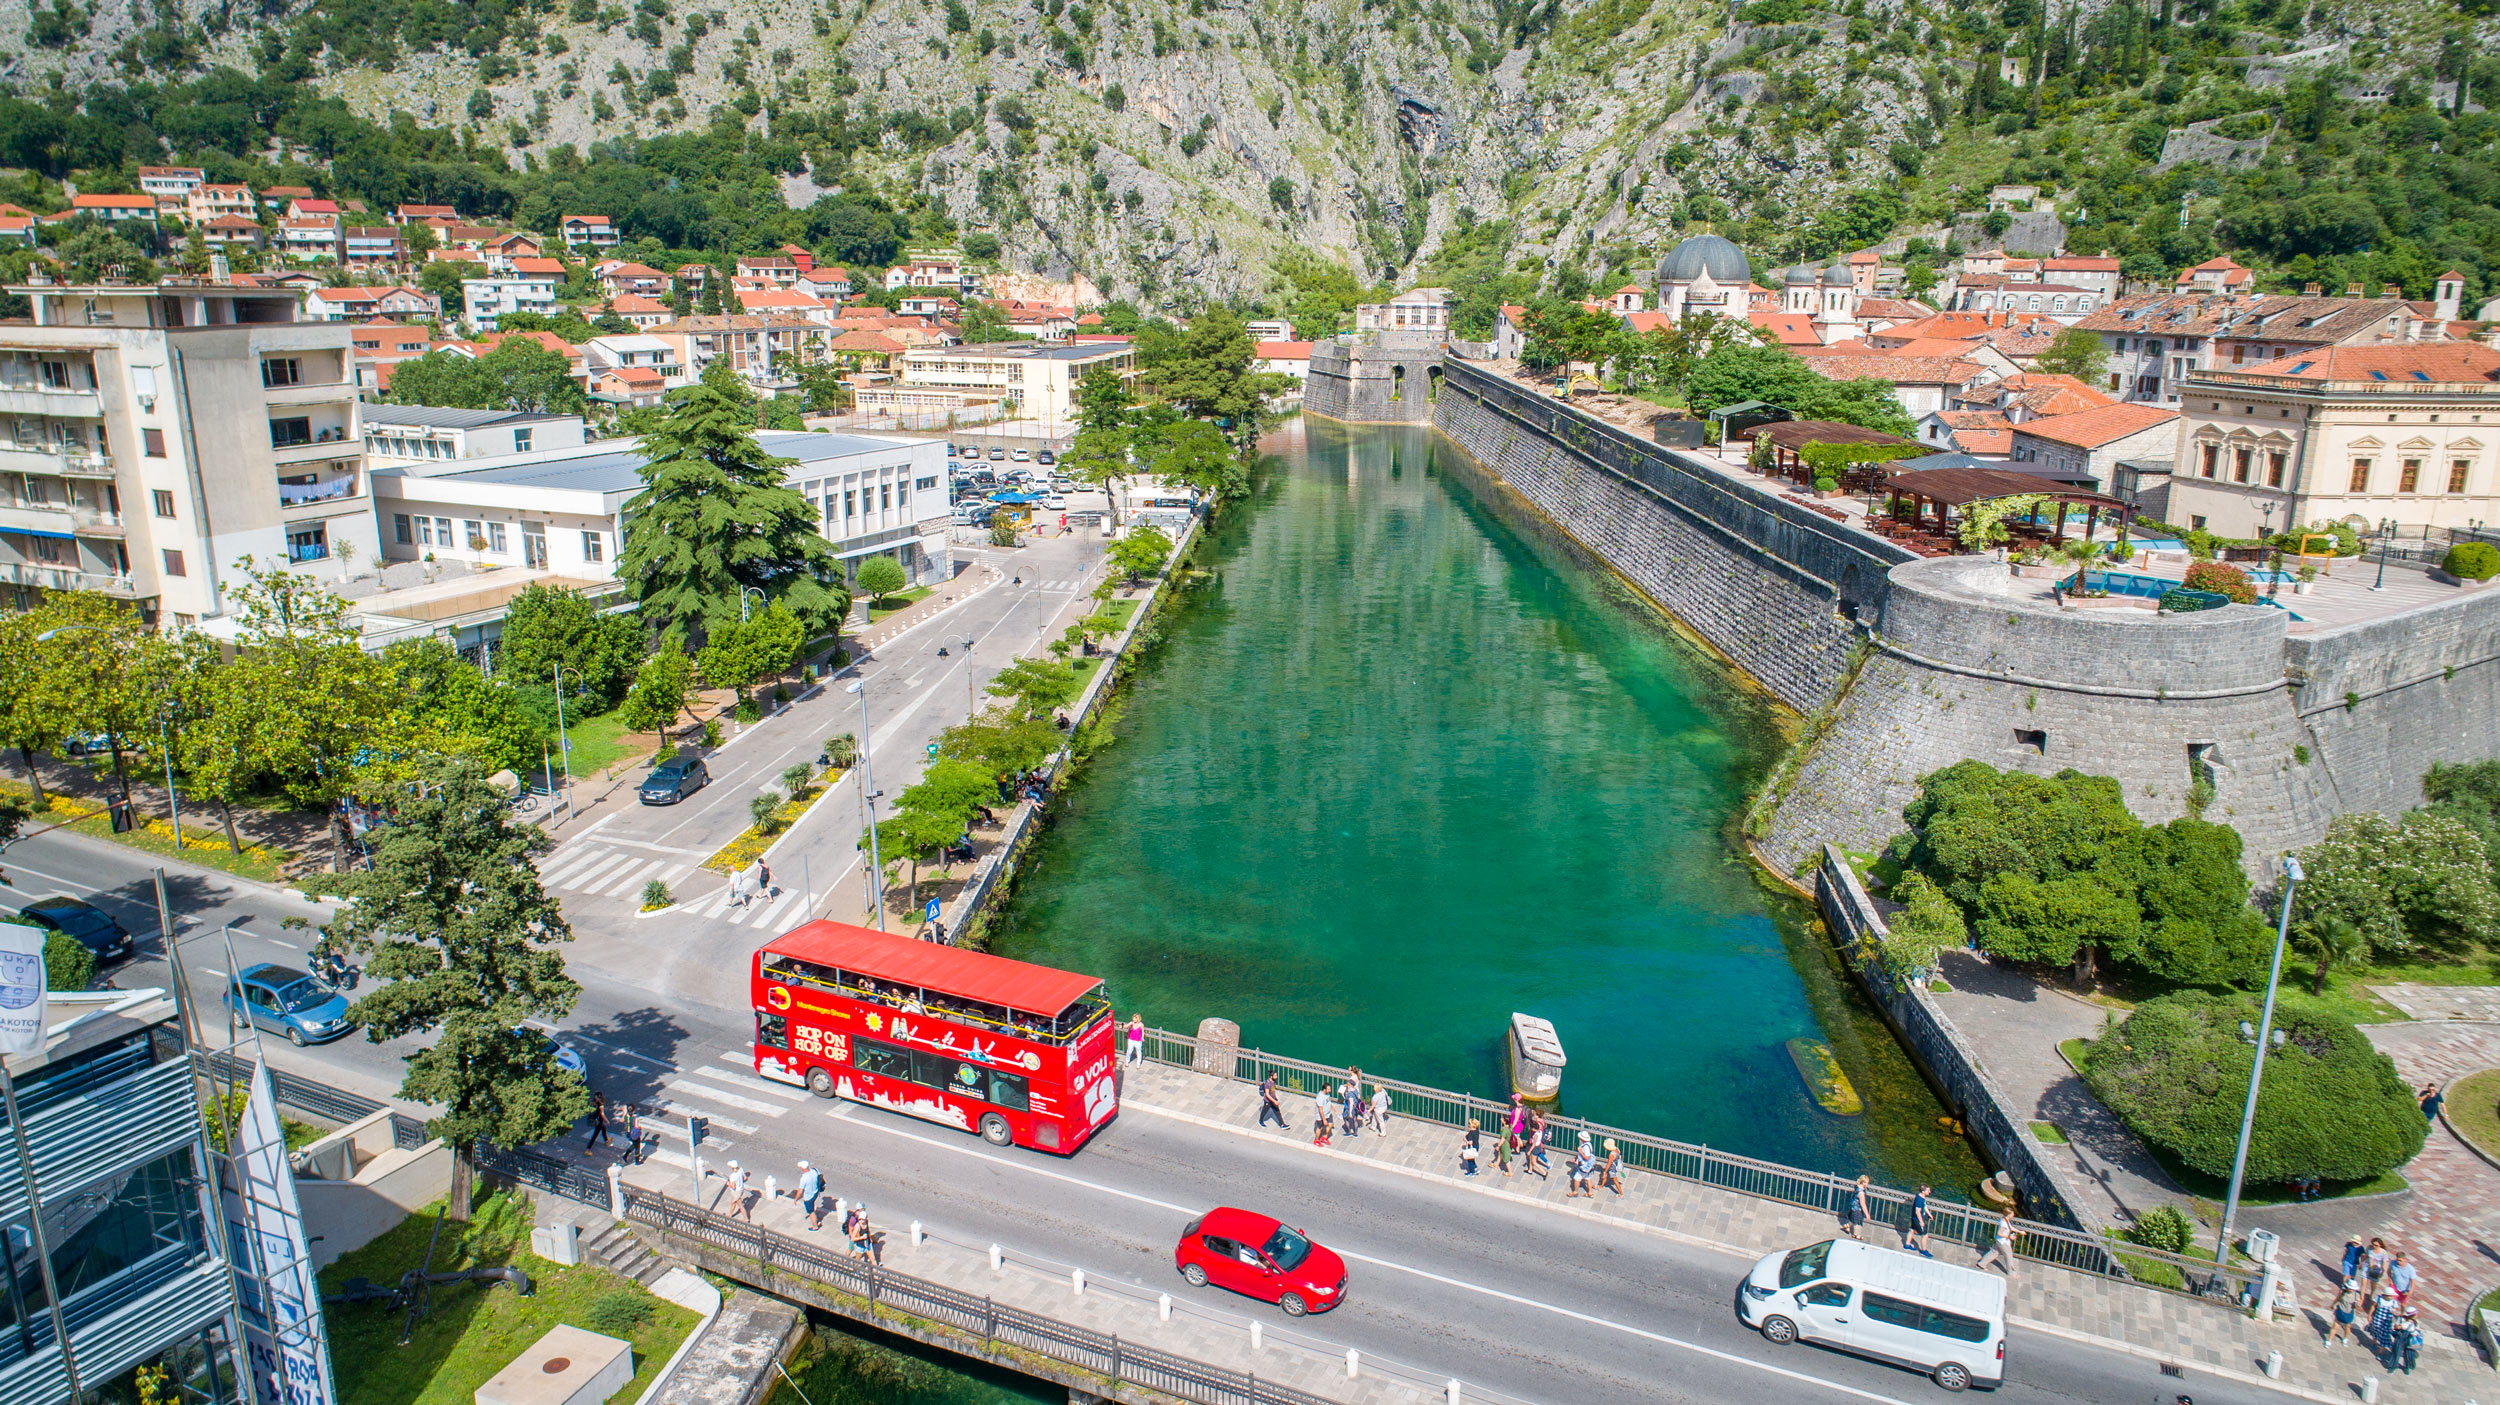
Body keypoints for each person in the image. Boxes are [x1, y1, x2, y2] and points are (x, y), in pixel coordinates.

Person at [1977, 1209, 2018, 1277]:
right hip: (2003, 1242)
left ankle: (1981, 1264)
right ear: (2008, 1215)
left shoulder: (2004, 1219)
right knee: (2008, 1256)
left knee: (1994, 1253)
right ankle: (2010, 1272)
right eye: (2012, 1214)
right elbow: (1999, 1233)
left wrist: (2019, 1231)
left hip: (2000, 1241)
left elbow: (2010, 1227)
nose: (2013, 1215)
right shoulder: (2003, 1224)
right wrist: (2010, 1236)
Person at [2325, 1277, 2361, 1349]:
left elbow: (2359, 1305)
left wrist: (2356, 1304)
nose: (2351, 1289)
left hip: (2349, 1313)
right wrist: (2333, 1305)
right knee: (2335, 1326)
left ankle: (2345, 1338)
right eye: (2350, 1288)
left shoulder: (2357, 1295)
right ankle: (2329, 1341)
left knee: (2347, 1327)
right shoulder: (2342, 1292)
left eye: (2353, 1288)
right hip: (2341, 1310)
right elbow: (2338, 1299)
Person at [1905, 1185, 1934, 1257]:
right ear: (1923, 1191)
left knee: (1912, 1230)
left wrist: (1929, 1214)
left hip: (1914, 1218)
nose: (1929, 1192)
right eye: (1928, 1190)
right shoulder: (1919, 1200)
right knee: (1925, 1235)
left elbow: (1924, 1205)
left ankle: (1907, 1244)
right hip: (1917, 1220)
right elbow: (1917, 1211)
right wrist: (1921, 1222)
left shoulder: (1920, 1196)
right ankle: (1923, 1251)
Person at [1840, 1174, 1871, 1240]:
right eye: (1867, 1182)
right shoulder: (1861, 1193)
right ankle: (1856, 1235)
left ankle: (1847, 1226)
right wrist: (1867, 1214)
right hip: (1857, 1209)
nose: (1868, 1184)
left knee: (1853, 1220)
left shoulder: (1857, 1187)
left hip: (1853, 1207)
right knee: (1857, 1223)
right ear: (1863, 1183)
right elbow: (1863, 1204)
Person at [2398, 1307, 2422, 1374]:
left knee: (2409, 1354)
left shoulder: (2415, 1322)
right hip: (2403, 1338)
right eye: (2415, 1314)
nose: (2417, 1316)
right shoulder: (2402, 1320)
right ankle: (2403, 1366)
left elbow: (2417, 1330)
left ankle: (2407, 1366)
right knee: (2402, 1352)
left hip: (2410, 1340)